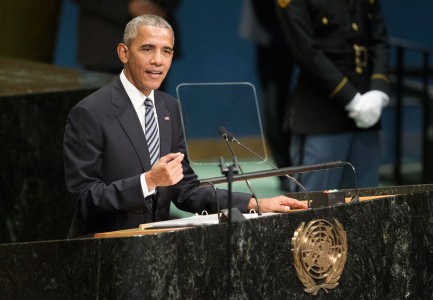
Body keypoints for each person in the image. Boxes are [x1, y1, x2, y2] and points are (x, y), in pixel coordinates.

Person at [63, 14, 307, 238]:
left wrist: (255, 204)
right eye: (147, 49)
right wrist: (148, 181)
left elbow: (185, 189)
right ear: (124, 53)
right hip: (103, 251)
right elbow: (84, 199)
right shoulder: (90, 113)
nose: (158, 60)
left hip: (156, 250)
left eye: (166, 51)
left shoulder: (169, 108)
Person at [276, 0, 390, 191]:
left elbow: (380, 40)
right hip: (322, 115)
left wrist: (378, 90)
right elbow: (305, 52)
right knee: (313, 211)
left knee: (366, 208)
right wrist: (352, 100)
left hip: (367, 113)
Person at [240, 0, 295, 191]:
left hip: (307, 37)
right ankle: (286, 172)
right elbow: (262, 9)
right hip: (272, 39)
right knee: (274, 109)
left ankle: (299, 169)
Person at [74, 0, 181, 74]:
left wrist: (154, 5)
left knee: (149, 104)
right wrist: (126, 6)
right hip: (104, 43)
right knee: (102, 104)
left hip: (156, 33)